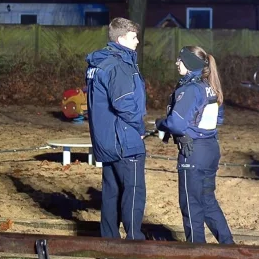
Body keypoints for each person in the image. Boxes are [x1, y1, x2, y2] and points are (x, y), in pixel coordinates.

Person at [155, 46, 234, 245]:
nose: (176, 63)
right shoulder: (211, 86)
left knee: (191, 204)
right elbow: (219, 119)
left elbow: (176, 123)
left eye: (180, 59)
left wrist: (160, 124)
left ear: (190, 63)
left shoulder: (190, 89)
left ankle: (196, 256)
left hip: (193, 153)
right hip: (211, 149)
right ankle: (228, 248)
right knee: (207, 201)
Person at [86, 17, 147, 241]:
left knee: (111, 193)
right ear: (121, 39)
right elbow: (124, 103)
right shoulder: (119, 65)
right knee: (133, 193)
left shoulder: (99, 64)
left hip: (107, 140)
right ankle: (134, 245)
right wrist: (139, 126)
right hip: (125, 140)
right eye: (133, 37)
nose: (138, 41)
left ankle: (109, 244)